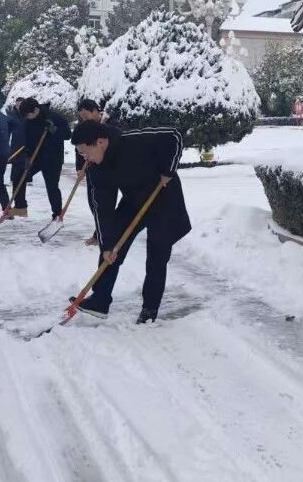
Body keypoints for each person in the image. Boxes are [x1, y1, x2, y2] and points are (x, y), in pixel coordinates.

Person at [71, 122, 190, 323]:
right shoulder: (97, 168)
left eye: (85, 153)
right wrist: (107, 245)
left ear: (100, 142)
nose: (85, 159)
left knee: (157, 253)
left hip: (163, 195)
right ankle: (100, 300)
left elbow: (174, 135)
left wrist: (168, 171)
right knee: (113, 242)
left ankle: (150, 309)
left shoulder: (134, 141)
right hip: (134, 201)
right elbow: (102, 208)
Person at [15, 98, 71, 219]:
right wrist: (28, 157)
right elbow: (28, 140)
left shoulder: (54, 117)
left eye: (28, 115)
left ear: (35, 110)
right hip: (36, 157)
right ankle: (20, 207)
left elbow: (67, 135)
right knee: (19, 176)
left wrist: (54, 130)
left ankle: (57, 214)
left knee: (52, 186)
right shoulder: (28, 121)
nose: (27, 118)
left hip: (53, 158)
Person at [75, 98, 107, 245]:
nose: (84, 119)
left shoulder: (110, 124)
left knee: (103, 204)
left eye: (86, 115)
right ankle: (100, 232)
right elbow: (79, 149)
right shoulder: (83, 127)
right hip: (91, 170)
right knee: (93, 202)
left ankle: (102, 235)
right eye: (82, 116)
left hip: (107, 170)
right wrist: (79, 169)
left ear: (96, 111)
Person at [5, 102, 30, 217]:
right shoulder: (13, 118)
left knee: (21, 179)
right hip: (16, 153)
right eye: (18, 104)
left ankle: (21, 207)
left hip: (26, 152)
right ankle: (20, 207)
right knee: (16, 179)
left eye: (21, 104)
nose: (20, 106)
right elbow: (7, 133)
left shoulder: (28, 117)